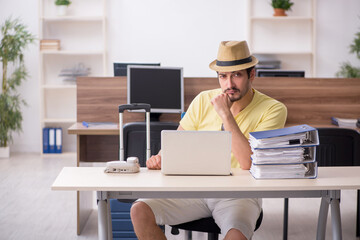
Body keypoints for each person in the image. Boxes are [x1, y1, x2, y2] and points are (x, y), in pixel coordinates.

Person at [130, 40, 287, 240]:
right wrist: (160, 158)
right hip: (194, 189)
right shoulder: (204, 99)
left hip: (240, 194)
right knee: (139, 210)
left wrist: (225, 115)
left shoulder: (273, 109)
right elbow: (176, 142)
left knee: (236, 235)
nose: (229, 85)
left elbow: (248, 162)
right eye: (223, 76)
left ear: (252, 74)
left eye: (237, 75)